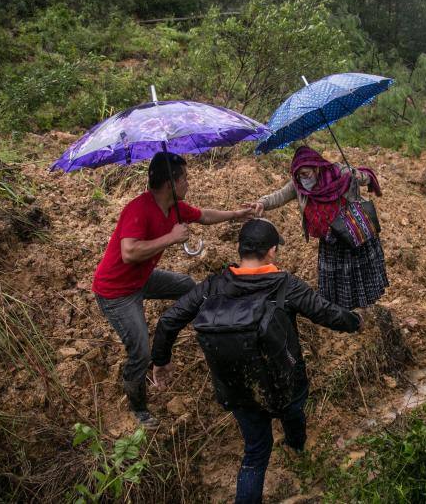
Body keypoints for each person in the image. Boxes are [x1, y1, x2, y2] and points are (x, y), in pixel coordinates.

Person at [151, 218, 361, 504]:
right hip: (285, 382)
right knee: (293, 412)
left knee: (256, 451)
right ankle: (296, 447)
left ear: (240, 250)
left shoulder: (212, 286)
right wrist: (357, 322)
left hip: (236, 386)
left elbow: (168, 320)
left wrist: (161, 360)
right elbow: (327, 314)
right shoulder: (286, 285)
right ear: (272, 251)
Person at [92, 151, 253, 429]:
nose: (188, 184)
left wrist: (236, 214)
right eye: (185, 179)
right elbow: (129, 252)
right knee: (140, 351)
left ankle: (202, 335)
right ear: (170, 183)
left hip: (141, 279)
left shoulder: (174, 207)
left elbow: (204, 216)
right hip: (116, 291)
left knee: (188, 288)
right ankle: (138, 406)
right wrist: (170, 237)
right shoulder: (138, 209)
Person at [247, 145, 388, 309]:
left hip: (352, 232)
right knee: (338, 279)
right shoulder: (298, 186)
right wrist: (261, 203)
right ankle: (340, 313)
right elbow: (279, 196)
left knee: (358, 272)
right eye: (299, 175)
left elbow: (367, 178)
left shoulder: (338, 172)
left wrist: (355, 175)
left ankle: (366, 309)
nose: (302, 179)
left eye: (306, 174)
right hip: (330, 239)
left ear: (317, 168)